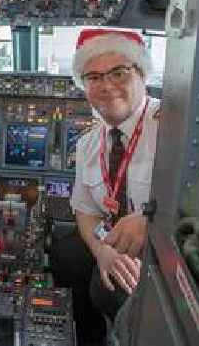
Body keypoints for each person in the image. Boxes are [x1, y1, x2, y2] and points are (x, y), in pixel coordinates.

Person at [69, 28, 160, 323]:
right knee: (62, 256)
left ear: (142, 74)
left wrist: (151, 219)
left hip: (162, 249)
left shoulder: (172, 127)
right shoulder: (88, 144)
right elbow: (86, 214)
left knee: (111, 291)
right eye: (93, 77)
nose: (106, 86)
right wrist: (101, 251)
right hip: (112, 242)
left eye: (118, 73)